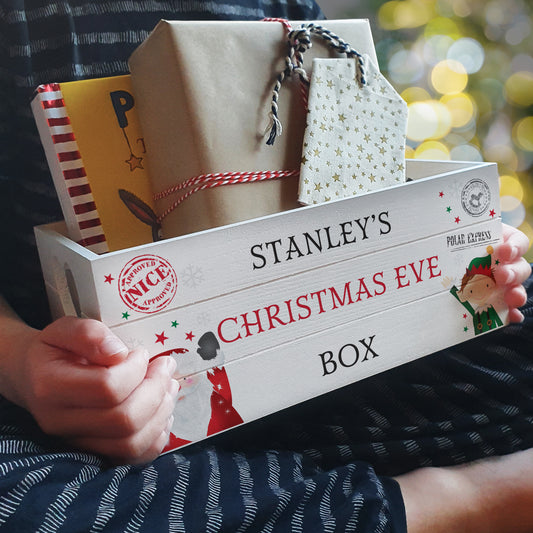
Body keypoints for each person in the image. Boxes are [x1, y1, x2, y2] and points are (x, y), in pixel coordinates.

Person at [0, 1, 531, 531]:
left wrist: (445, 242)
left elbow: (349, 156)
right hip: (83, 382)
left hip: (327, 325)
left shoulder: (283, 19)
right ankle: (469, 499)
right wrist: (21, 363)